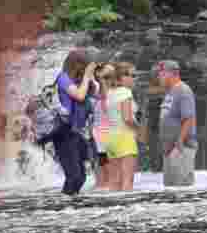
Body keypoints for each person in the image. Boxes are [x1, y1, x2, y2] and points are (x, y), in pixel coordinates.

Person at [51, 50, 99, 196]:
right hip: (63, 132)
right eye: (84, 66)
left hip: (76, 132)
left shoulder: (81, 82)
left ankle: (71, 204)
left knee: (81, 177)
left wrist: (93, 78)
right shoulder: (63, 78)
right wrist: (86, 76)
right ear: (76, 64)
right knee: (74, 176)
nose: (86, 70)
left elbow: (96, 95)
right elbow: (79, 96)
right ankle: (62, 206)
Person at [156, 60, 197, 187]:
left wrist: (179, 141)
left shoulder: (183, 90)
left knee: (180, 189)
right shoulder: (170, 92)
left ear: (173, 73)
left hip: (181, 148)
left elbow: (189, 118)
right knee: (170, 190)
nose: (159, 77)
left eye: (162, 74)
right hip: (170, 149)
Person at [105, 62, 140, 191]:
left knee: (114, 182)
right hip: (124, 137)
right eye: (133, 75)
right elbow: (127, 118)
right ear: (122, 77)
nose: (134, 79)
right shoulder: (126, 92)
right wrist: (140, 129)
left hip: (110, 138)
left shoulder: (110, 93)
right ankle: (128, 210)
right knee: (127, 182)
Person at [91, 63, 117, 190]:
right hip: (97, 138)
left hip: (109, 137)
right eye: (107, 76)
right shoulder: (95, 92)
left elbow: (107, 105)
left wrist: (102, 80)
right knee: (101, 176)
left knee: (109, 175)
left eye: (112, 75)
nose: (110, 79)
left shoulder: (116, 92)